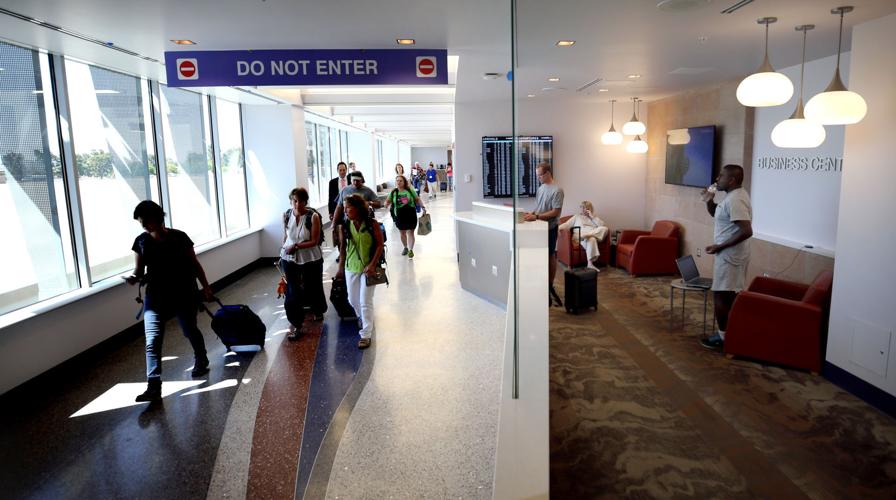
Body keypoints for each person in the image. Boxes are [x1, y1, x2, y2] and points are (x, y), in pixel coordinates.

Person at [125, 200, 214, 403]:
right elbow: (139, 271)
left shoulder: (179, 237)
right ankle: (153, 385)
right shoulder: (141, 242)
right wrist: (133, 278)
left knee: (189, 329)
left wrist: (206, 287)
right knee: (152, 340)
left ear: (157, 217)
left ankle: (201, 358)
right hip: (155, 296)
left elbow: (194, 264)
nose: (143, 225)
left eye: (145, 220)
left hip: (184, 292)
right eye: (140, 222)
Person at [699, 164, 753, 351]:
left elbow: (746, 231)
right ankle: (731, 334)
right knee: (727, 294)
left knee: (722, 295)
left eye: (721, 176)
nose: (717, 179)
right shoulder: (730, 197)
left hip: (730, 257)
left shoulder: (736, 199)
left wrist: (720, 246)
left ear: (731, 180)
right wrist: (709, 200)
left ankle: (724, 339)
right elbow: (717, 214)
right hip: (727, 255)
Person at [336, 194, 385, 349]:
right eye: (344, 208)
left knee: (365, 301)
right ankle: (363, 318)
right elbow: (342, 248)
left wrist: (372, 265)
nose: (345, 211)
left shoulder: (371, 224)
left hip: (368, 269)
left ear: (357, 208)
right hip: (351, 267)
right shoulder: (345, 225)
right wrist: (340, 268)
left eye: (348, 208)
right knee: (352, 300)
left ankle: (366, 334)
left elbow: (380, 245)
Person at [280, 187, 326, 340]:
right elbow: (285, 236)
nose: (297, 204)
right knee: (292, 291)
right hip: (289, 258)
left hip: (310, 257)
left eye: (300, 201)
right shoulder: (287, 215)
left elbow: (314, 241)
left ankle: (318, 309)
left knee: (313, 285)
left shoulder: (313, 217)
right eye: (294, 201)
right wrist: (283, 252)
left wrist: (297, 246)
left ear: (305, 202)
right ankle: (296, 324)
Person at [523, 162, 564, 306]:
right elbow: (539, 208)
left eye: (540, 175)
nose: (538, 178)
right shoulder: (541, 189)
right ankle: (540, 284)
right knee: (539, 256)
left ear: (547, 173)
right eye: (537, 175)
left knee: (550, 255)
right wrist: (532, 213)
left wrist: (537, 216)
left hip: (550, 228)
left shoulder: (557, 190)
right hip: (538, 227)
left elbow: (555, 212)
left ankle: (549, 285)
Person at [557, 201, 608, 270]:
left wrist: (592, 217)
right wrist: (558, 228)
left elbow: (602, 226)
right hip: (580, 236)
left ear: (590, 209)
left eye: (586, 208)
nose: (584, 209)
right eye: (582, 207)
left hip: (590, 235)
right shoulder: (577, 216)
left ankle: (588, 235)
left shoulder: (594, 218)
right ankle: (590, 264)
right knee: (592, 239)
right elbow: (567, 224)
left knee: (604, 229)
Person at [385, 174, 425, 258]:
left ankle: (411, 250)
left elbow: (417, 199)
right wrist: (386, 205)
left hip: (410, 214)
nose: (398, 182)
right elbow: (387, 201)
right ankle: (405, 247)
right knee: (402, 232)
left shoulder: (410, 191)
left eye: (400, 181)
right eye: (397, 181)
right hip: (399, 215)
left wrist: (423, 207)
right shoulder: (394, 192)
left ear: (404, 182)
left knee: (411, 232)